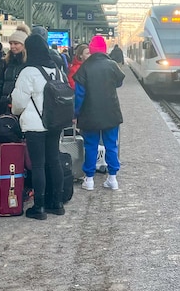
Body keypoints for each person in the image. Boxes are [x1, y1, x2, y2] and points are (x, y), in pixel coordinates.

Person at [11, 34, 66, 220]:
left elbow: (18, 102)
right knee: (54, 161)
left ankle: (39, 207)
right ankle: (57, 203)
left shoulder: (29, 72)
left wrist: (17, 113)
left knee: (38, 165)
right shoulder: (57, 70)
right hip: (55, 123)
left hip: (35, 126)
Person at [73, 35, 125, 191]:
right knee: (111, 145)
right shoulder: (112, 65)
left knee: (90, 146)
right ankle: (113, 178)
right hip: (111, 112)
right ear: (104, 49)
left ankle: (89, 180)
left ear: (92, 49)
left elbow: (79, 95)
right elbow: (119, 82)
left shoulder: (85, 67)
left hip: (90, 114)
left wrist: (75, 113)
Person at [0, 24, 30, 119]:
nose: (12, 46)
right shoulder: (5, 62)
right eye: (11, 43)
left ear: (24, 45)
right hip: (5, 107)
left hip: (24, 109)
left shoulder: (29, 63)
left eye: (16, 43)